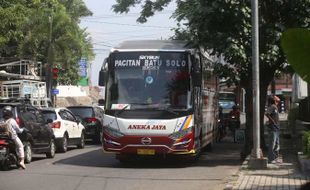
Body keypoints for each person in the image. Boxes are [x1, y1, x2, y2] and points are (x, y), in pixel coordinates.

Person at [265, 96, 280, 163]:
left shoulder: (275, 106)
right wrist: (272, 121)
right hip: (272, 127)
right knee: (272, 143)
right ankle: (271, 159)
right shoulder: (272, 106)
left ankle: (275, 158)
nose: (277, 98)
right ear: (273, 100)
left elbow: (279, 100)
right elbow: (267, 114)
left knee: (277, 144)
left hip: (276, 127)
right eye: (275, 98)